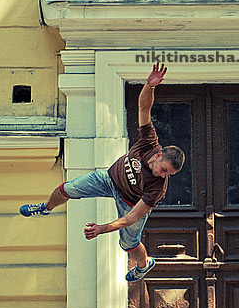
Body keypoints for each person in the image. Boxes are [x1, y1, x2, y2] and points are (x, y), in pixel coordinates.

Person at [19, 62, 185, 282]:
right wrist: (149, 85)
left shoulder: (157, 188)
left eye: (168, 175)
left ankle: (144, 265)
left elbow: (129, 218)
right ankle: (45, 208)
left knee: (129, 244)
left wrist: (100, 229)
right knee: (66, 189)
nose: (163, 176)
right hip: (108, 180)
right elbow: (144, 108)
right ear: (158, 156)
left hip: (130, 202)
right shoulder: (149, 142)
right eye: (164, 170)